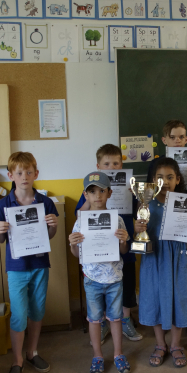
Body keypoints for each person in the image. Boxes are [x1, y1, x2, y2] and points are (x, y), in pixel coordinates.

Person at [0, 152, 59, 373]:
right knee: (19, 314)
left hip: (40, 265)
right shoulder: (4, 204)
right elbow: (1, 240)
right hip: (17, 267)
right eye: (19, 173)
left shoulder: (45, 202)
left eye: (29, 172)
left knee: (37, 310)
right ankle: (17, 360)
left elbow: (50, 235)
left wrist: (53, 226)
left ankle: (32, 352)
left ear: (36, 174)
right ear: (11, 175)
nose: (24, 177)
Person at [134, 158, 187, 368]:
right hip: (155, 257)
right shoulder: (145, 203)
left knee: (179, 297)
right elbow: (141, 233)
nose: (165, 181)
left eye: (170, 177)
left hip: (180, 256)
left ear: (178, 179)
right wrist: (137, 228)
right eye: (160, 177)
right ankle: (160, 343)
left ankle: (175, 344)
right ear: (152, 181)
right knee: (155, 297)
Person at [75, 144, 142, 343]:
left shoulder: (130, 185)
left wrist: (134, 195)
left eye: (116, 163)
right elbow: (79, 215)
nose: (112, 166)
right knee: (101, 289)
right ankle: (103, 322)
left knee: (127, 284)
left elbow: (141, 210)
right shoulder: (92, 190)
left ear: (122, 165)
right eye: (107, 163)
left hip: (124, 244)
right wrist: (90, 197)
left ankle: (125, 320)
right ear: (98, 166)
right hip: (98, 249)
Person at [69, 171, 132, 373]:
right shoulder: (80, 223)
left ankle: (118, 353)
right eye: (92, 191)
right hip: (92, 279)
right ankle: (97, 355)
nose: (97, 195)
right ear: (85, 195)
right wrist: (72, 244)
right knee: (94, 319)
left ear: (109, 193)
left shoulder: (118, 220)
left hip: (114, 278)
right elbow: (76, 254)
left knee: (115, 318)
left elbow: (123, 251)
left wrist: (123, 241)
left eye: (102, 191)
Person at [147, 119, 187, 189]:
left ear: (186, 139)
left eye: (181, 137)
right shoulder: (155, 163)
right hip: (164, 198)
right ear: (164, 140)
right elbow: (150, 188)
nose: (177, 140)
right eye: (172, 137)